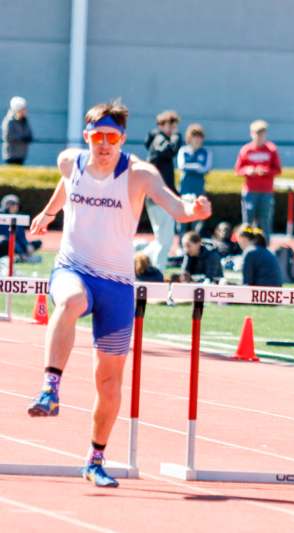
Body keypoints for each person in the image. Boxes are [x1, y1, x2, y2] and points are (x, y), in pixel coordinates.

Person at [26, 100, 211, 488]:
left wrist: (194, 212)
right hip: (73, 268)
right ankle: (50, 387)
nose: (104, 145)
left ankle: (95, 458)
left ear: (123, 139)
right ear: (86, 137)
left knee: (108, 383)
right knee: (70, 301)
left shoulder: (139, 174)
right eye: (97, 137)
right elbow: (67, 187)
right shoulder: (69, 161)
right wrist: (47, 214)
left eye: (112, 137)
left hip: (117, 286)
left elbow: (174, 207)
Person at [143, 110, 182, 272]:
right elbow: (169, 150)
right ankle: (157, 272)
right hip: (158, 196)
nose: (172, 129)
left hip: (158, 195)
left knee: (162, 238)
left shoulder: (157, 139)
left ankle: (140, 260)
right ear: (160, 125)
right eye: (169, 125)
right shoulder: (159, 139)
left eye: (174, 125)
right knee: (165, 240)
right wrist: (177, 139)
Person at [234, 119, 282, 244]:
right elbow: (238, 170)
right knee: (247, 221)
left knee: (265, 221)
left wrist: (265, 171)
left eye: (262, 133)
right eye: (257, 133)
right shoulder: (246, 150)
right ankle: (245, 245)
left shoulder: (271, 149)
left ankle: (265, 246)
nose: (259, 136)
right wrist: (248, 171)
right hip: (250, 191)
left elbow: (278, 170)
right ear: (252, 134)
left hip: (266, 192)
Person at [177, 123, 213, 237]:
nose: (197, 139)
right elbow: (181, 165)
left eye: (199, 136)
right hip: (185, 188)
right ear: (189, 137)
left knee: (197, 219)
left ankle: (196, 244)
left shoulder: (206, 152)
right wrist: (197, 167)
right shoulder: (183, 150)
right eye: (194, 136)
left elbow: (206, 168)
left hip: (199, 189)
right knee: (182, 217)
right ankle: (181, 245)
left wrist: (193, 167)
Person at [0, 193, 42, 262]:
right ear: (6, 205)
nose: (15, 207)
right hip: (5, 246)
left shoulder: (17, 218)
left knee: (38, 242)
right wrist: (21, 252)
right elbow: (8, 237)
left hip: (16, 246)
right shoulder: (2, 217)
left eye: (16, 205)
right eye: (13, 204)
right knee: (4, 241)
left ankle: (20, 256)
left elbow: (21, 236)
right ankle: (21, 257)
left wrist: (27, 245)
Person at [2, 96, 33, 165]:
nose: (25, 111)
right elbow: (8, 137)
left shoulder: (25, 121)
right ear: (17, 110)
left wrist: (27, 138)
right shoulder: (9, 121)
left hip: (22, 155)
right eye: (23, 109)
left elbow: (29, 134)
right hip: (11, 155)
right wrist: (22, 138)